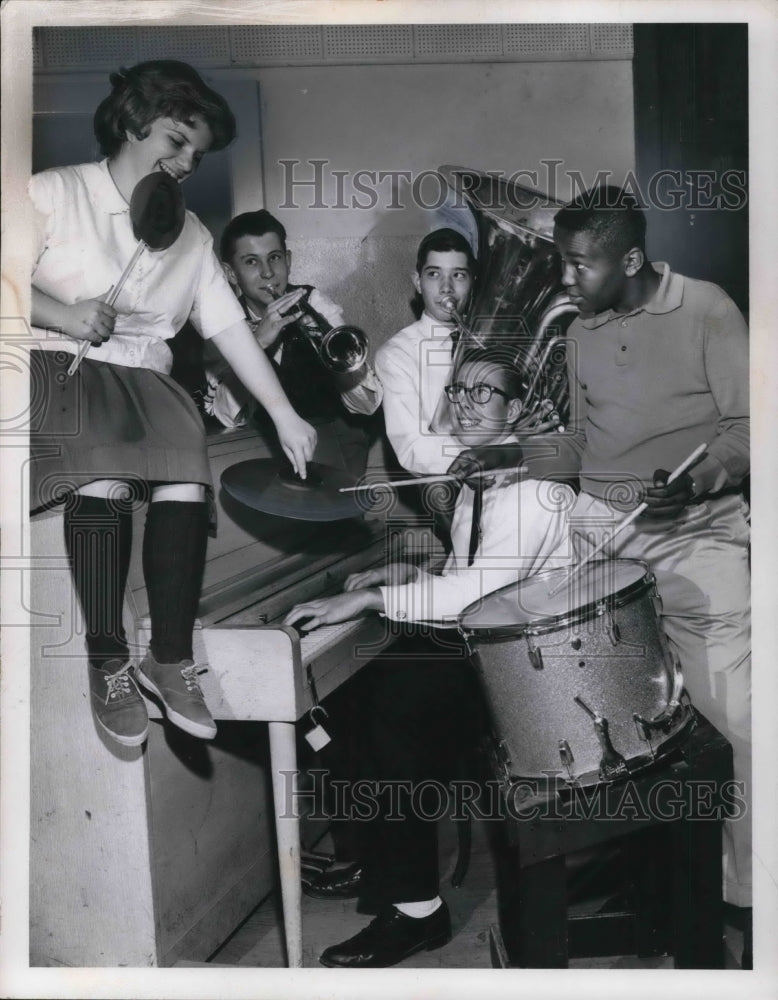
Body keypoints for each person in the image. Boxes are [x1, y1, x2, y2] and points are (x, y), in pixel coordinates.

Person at [28, 60, 316, 749]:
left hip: (144, 380)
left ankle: (171, 657)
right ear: (132, 124)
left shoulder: (189, 234)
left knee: (187, 475)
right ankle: (108, 658)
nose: (188, 162)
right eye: (176, 142)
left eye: (198, 152)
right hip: (58, 367)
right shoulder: (53, 192)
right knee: (103, 475)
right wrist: (62, 313)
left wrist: (283, 413)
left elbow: (229, 333)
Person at [284, 350, 574, 968]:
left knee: (393, 702)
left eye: (484, 394)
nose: (466, 403)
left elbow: (474, 596)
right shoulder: (482, 476)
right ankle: (380, 856)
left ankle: (419, 910)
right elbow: (465, 572)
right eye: (459, 390)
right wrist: (403, 571)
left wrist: (369, 596)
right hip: (489, 651)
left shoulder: (534, 491)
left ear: (516, 409)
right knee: (336, 700)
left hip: (531, 682)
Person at [553, 186, 751, 954]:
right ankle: (651, 887)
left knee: (739, 724)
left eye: (578, 264)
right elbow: (584, 441)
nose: (566, 279)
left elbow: (748, 427)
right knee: (613, 733)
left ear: (629, 259)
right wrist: (521, 457)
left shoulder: (708, 309)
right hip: (604, 540)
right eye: (561, 262)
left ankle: (747, 901)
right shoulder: (577, 330)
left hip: (698, 538)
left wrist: (699, 479)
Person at [203, 209, 382, 473]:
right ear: (230, 273)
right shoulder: (225, 325)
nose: (267, 273)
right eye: (251, 262)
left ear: (287, 260)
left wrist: (328, 349)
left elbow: (368, 406)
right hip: (267, 446)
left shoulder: (316, 303)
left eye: (274, 258)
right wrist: (255, 346)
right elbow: (225, 416)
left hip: (336, 442)